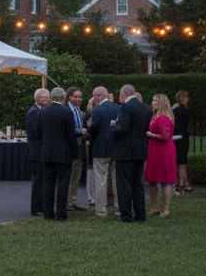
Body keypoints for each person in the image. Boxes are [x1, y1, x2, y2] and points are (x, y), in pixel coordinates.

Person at [111, 84, 152, 223]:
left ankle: (126, 215)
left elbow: (123, 128)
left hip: (125, 151)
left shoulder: (126, 107)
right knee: (137, 183)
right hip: (140, 150)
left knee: (124, 184)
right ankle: (140, 214)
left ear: (123, 94)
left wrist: (113, 128)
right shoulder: (145, 108)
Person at [39, 88, 79, 221]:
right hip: (63, 153)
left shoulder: (43, 112)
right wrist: (75, 153)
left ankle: (48, 212)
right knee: (63, 184)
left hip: (47, 153)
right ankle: (61, 213)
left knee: (48, 183)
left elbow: (39, 133)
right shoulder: (67, 112)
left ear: (51, 98)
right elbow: (71, 136)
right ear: (64, 99)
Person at [87, 86, 120, 217]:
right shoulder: (118, 108)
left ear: (98, 96)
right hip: (116, 148)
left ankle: (101, 209)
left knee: (100, 180)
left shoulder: (97, 109)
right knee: (117, 180)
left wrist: (89, 127)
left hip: (100, 148)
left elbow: (93, 128)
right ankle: (119, 208)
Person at [145, 94, 177, 218]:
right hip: (154, 150)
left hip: (164, 151)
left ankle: (165, 208)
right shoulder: (155, 116)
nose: (152, 103)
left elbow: (165, 136)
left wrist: (151, 135)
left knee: (165, 180)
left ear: (161, 103)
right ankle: (153, 207)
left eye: (155, 101)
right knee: (152, 179)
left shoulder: (164, 118)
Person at [25, 88, 51, 216]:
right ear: (37, 99)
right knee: (38, 181)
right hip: (37, 152)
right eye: (44, 98)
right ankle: (36, 208)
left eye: (48, 97)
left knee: (42, 180)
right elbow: (34, 132)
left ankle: (42, 206)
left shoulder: (41, 111)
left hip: (41, 151)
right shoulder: (33, 112)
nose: (47, 100)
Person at [65, 87, 88, 211]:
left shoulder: (80, 111)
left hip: (79, 146)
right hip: (69, 147)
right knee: (68, 176)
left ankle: (72, 201)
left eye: (80, 97)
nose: (78, 99)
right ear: (69, 97)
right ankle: (65, 201)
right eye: (76, 96)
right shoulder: (66, 110)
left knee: (76, 175)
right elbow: (66, 130)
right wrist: (80, 131)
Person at [173, 90, 192, 193]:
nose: (184, 99)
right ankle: (181, 183)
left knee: (182, 160)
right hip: (178, 137)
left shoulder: (183, 109)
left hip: (183, 137)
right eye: (182, 97)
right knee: (180, 160)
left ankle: (183, 182)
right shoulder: (177, 110)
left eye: (186, 97)